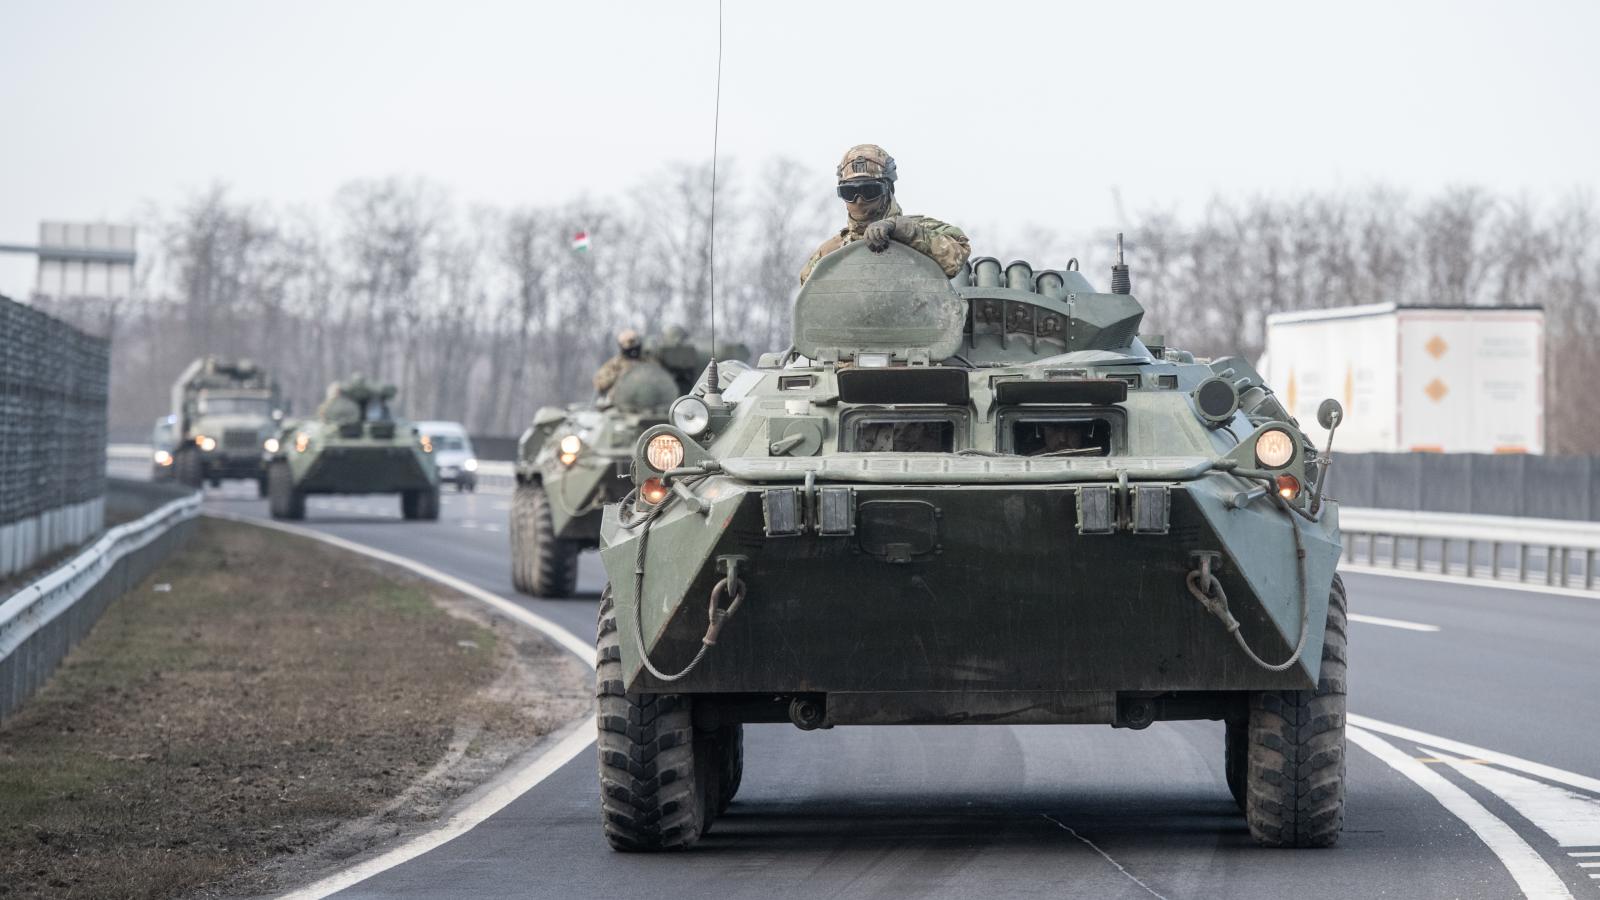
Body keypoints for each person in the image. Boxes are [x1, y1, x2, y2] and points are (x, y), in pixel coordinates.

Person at [798, 144, 971, 285]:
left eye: (869, 190)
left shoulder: (917, 230)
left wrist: (903, 231)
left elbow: (957, 256)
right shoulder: (830, 253)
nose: (859, 200)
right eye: (849, 192)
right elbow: (810, 303)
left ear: (888, 189)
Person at [593, 328, 646, 396]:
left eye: (635, 342)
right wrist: (620, 375)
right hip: (621, 400)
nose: (634, 345)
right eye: (630, 343)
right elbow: (599, 382)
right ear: (622, 345)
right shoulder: (615, 364)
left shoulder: (646, 360)